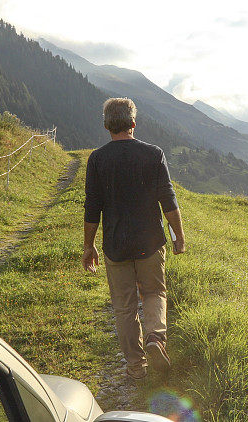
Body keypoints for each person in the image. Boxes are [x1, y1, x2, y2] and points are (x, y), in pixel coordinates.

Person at [82, 97, 186, 380]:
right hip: (150, 241)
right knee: (154, 292)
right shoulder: (153, 154)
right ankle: (155, 338)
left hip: (115, 245)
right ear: (133, 123)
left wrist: (88, 246)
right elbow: (168, 200)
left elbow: (92, 209)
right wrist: (179, 236)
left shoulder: (97, 159)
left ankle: (136, 367)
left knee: (124, 306)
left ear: (107, 126)